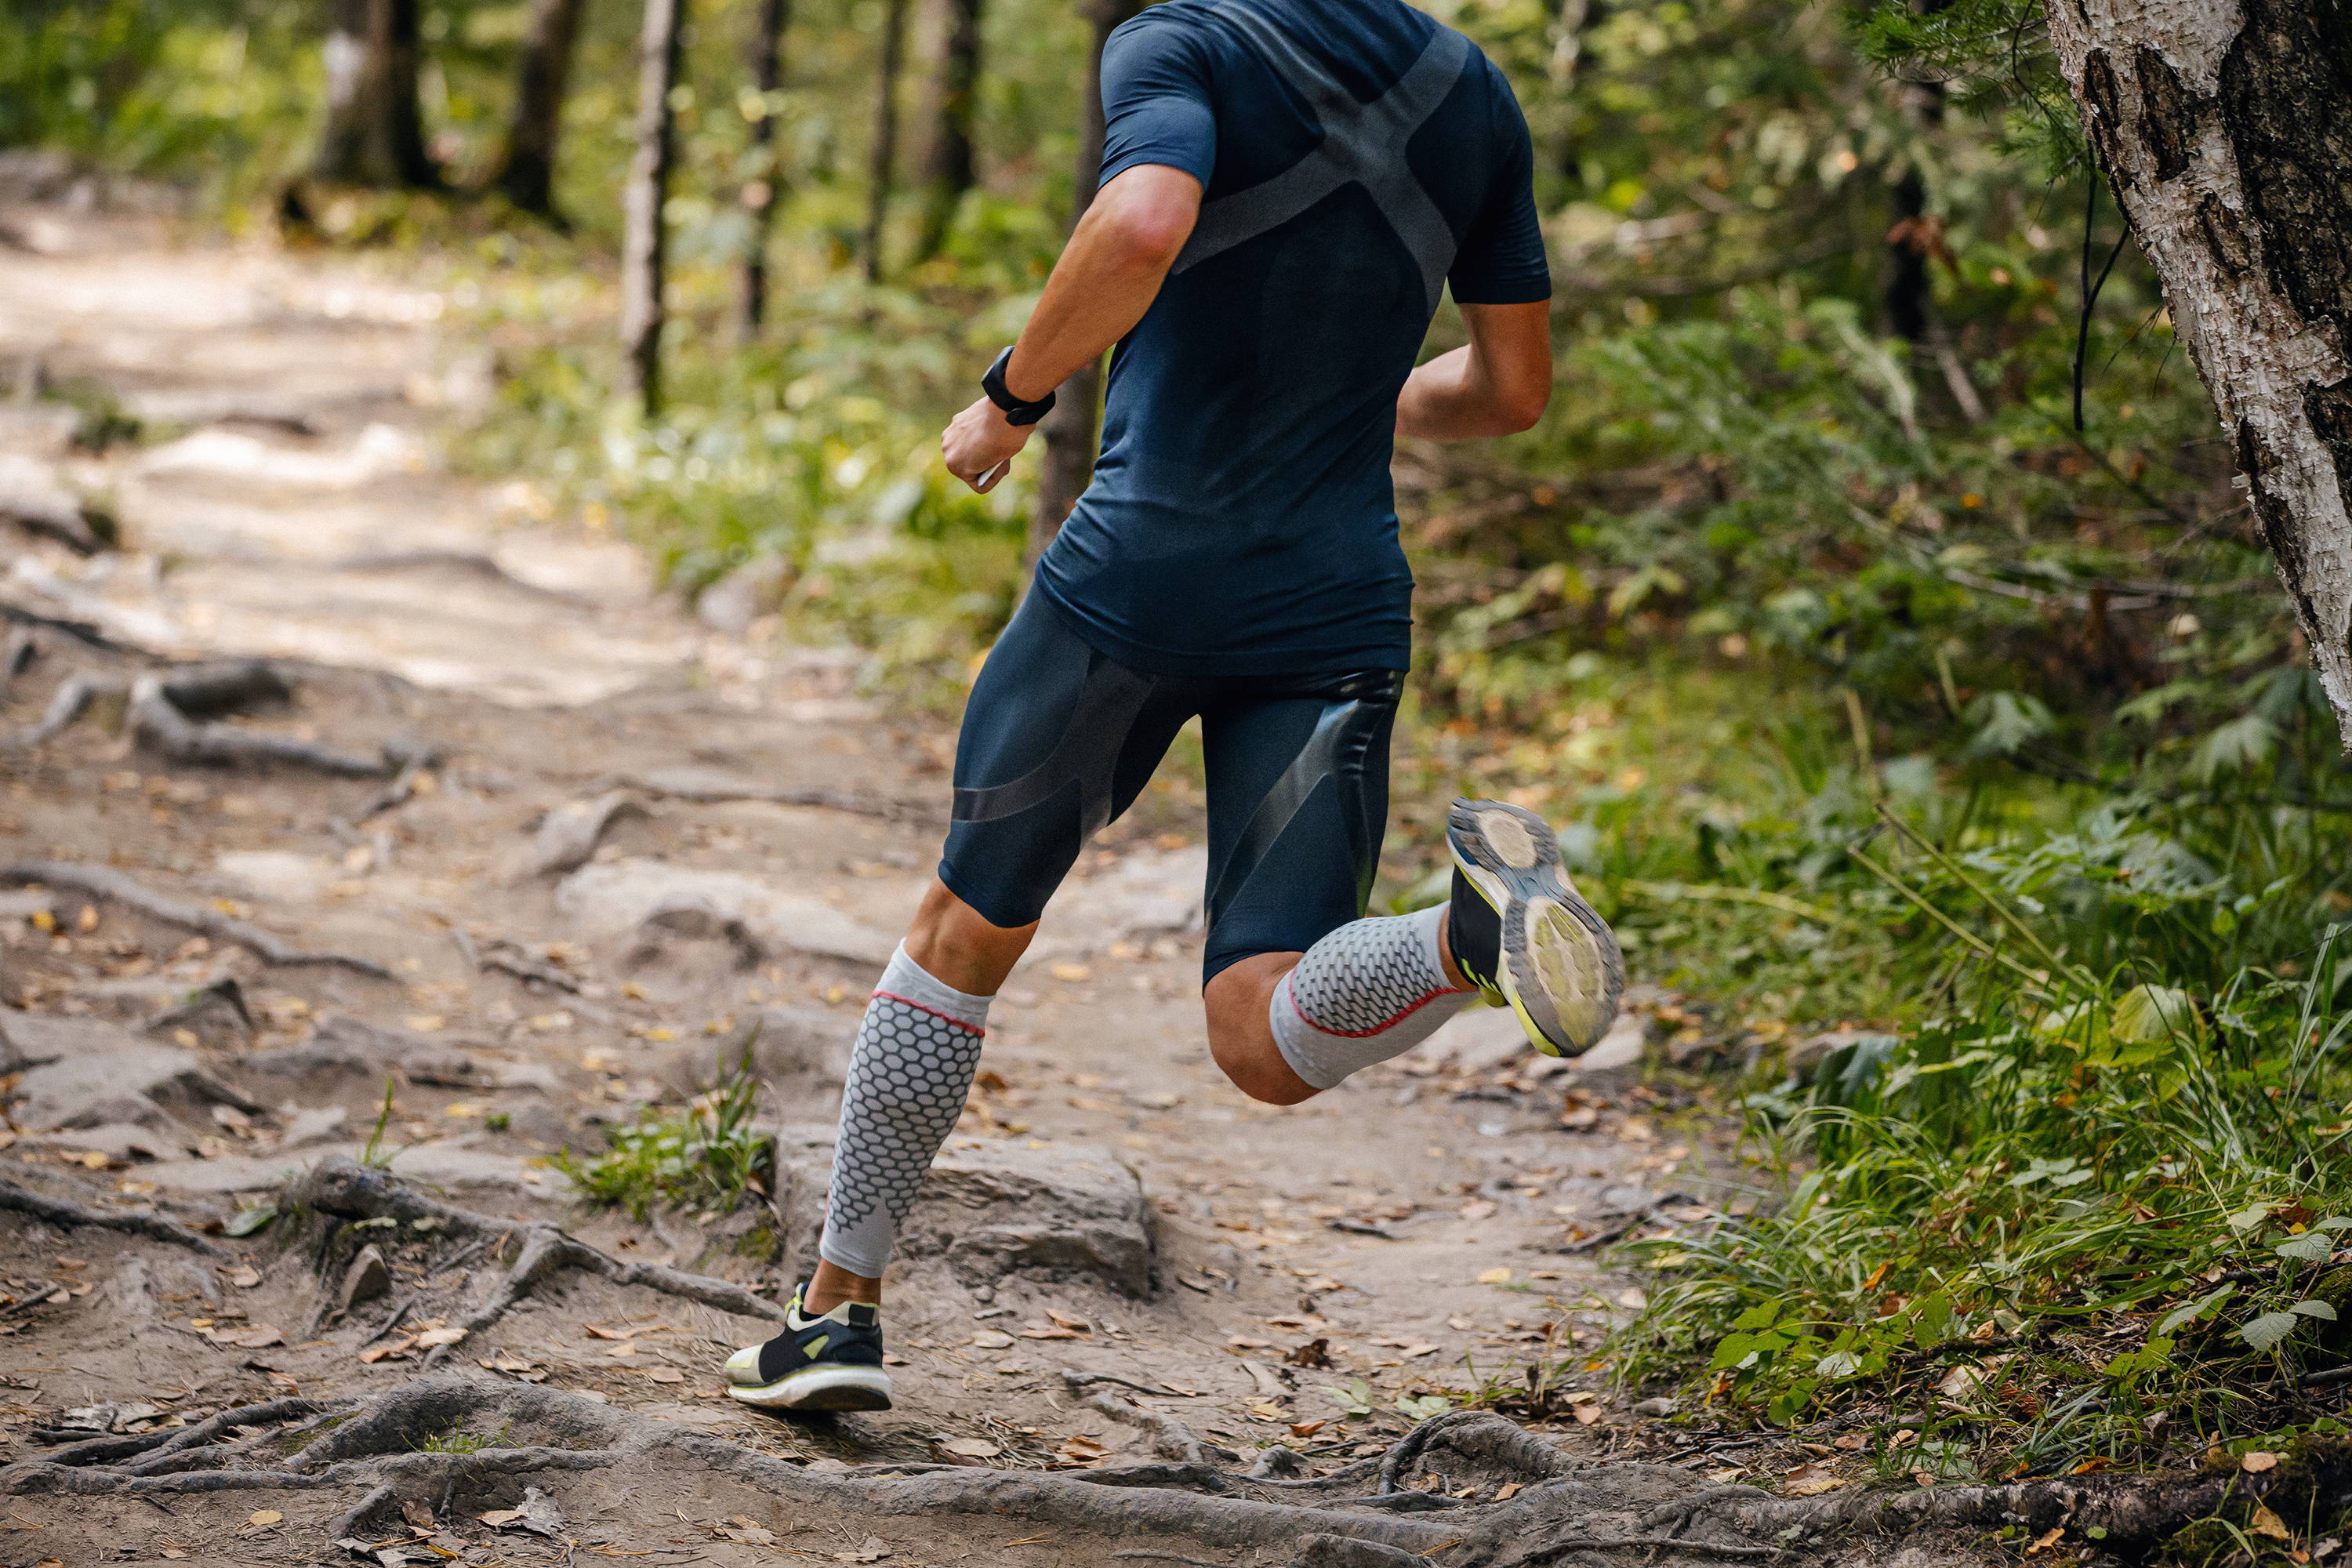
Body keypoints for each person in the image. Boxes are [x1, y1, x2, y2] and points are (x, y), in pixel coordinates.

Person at [723, 0, 1622, 1413]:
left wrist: (1011, 401)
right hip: (1334, 607)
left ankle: (837, 1314)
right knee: (1264, 1037)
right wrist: (1358, 402)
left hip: (1134, 587)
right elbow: (1513, 391)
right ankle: (1462, 940)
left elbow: (1144, 223)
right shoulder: (1476, 96)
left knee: (962, 935)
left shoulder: (1184, 43)